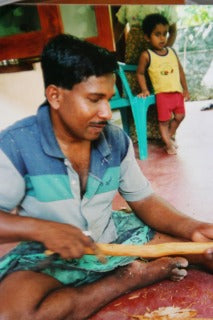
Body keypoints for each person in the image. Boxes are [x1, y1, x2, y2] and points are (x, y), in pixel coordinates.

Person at [0, 34, 212, 320]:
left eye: (109, 99)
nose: (106, 112)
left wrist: (192, 228)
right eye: (94, 99)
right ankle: (128, 277)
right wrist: (40, 229)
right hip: (51, 257)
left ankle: (130, 268)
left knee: (208, 252)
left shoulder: (114, 140)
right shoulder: (16, 146)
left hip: (117, 240)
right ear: (55, 96)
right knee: (14, 314)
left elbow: (144, 200)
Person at [114, 5, 178, 142]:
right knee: (136, 89)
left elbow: (172, 31)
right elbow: (118, 28)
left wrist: (164, 52)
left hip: (157, 51)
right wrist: (111, 47)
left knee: (160, 89)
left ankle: (164, 134)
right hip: (134, 51)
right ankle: (137, 133)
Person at [137, 14, 190, 155]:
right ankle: (168, 144)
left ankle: (167, 137)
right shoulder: (146, 55)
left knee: (180, 116)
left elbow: (180, 70)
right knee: (164, 122)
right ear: (147, 37)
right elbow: (140, 73)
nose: (162, 38)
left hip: (177, 92)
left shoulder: (172, 52)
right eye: (157, 34)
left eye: (164, 34)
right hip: (163, 94)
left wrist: (185, 88)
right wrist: (144, 89)